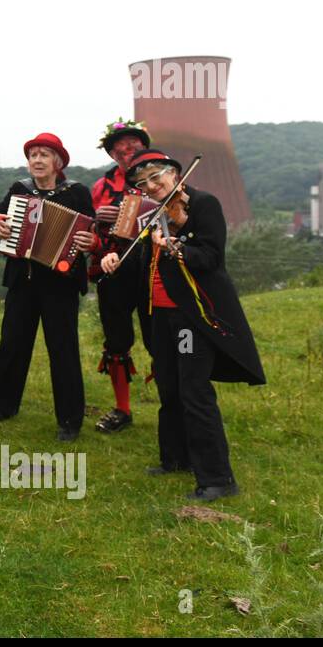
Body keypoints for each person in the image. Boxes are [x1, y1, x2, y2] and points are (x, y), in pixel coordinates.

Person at [100, 150, 265, 501]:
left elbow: (211, 257)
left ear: (175, 173)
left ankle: (218, 479)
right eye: (143, 183)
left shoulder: (203, 205)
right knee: (169, 388)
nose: (152, 186)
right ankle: (175, 458)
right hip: (159, 316)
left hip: (191, 318)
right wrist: (114, 258)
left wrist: (176, 248)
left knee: (194, 391)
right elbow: (143, 264)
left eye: (157, 177)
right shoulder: (151, 214)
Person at [0, 133, 97, 441]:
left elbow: (92, 234)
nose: (37, 160)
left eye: (44, 155)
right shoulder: (21, 189)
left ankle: (69, 420)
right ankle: (2, 406)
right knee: (13, 344)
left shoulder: (76, 193)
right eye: (33, 155)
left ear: (57, 163)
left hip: (61, 284)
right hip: (22, 279)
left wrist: (91, 240)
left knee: (63, 350)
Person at [88, 118, 152, 433]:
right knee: (117, 339)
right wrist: (99, 220)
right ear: (113, 155)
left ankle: (175, 403)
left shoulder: (159, 175)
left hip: (154, 264)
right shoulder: (101, 186)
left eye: (133, 148)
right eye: (120, 150)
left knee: (160, 337)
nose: (127, 154)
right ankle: (122, 409)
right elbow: (88, 232)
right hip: (114, 266)